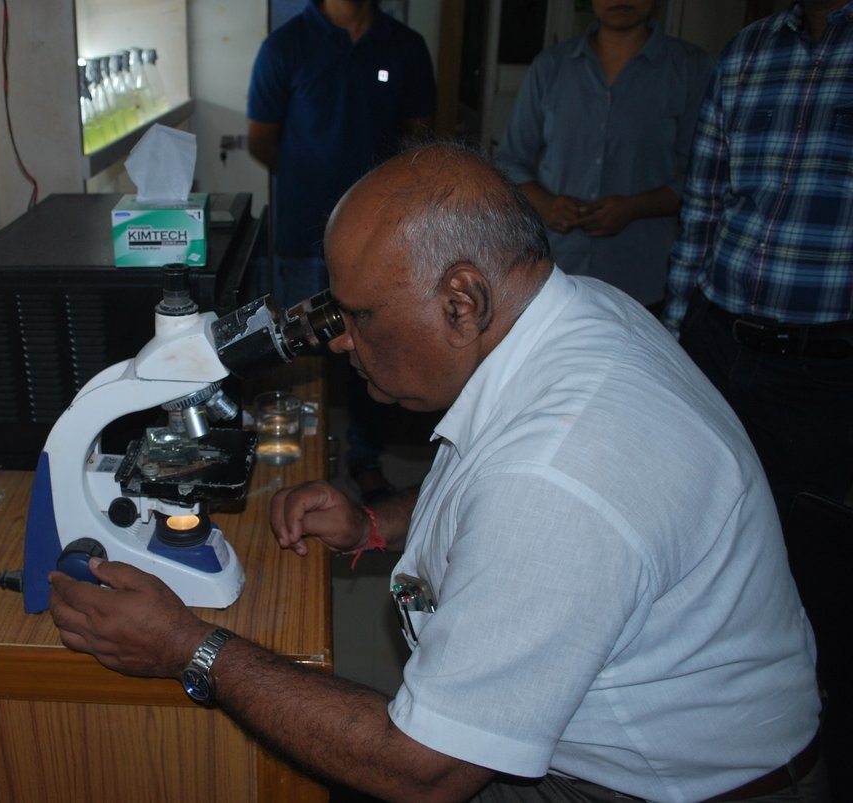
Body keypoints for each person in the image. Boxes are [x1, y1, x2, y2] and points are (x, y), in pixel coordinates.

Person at [48, 143, 825, 802]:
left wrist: (189, 646)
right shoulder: (576, 313)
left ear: (462, 300)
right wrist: (377, 520)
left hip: (658, 786)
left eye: (359, 316)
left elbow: (423, 771)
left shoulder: (560, 478)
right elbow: (497, 480)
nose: (342, 341)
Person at [662, 0, 853, 523]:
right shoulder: (749, 51)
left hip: (825, 366)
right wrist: (677, 337)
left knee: (792, 531)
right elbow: (703, 205)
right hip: (717, 340)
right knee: (684, 506)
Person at [247, 0, 437, 500]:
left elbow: (417, 137)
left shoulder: (406, 46)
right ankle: (298, 461)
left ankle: (364, 457)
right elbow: (262, 141)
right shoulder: (284, 47)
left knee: (373, 348)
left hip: (381, 237)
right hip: (302, 233)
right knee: (299, 349)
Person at [495, 0, 712, 309]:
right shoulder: (552, 66)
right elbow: (510, 159)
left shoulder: (691, 68)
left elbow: (704, 179)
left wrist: (635, 207)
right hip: (555, 272)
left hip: (640, 277)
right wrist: (546, 204)